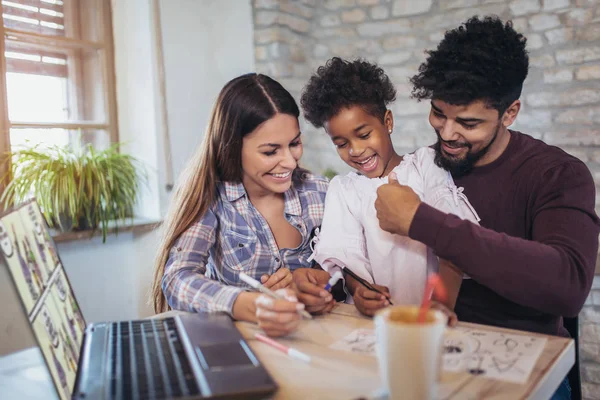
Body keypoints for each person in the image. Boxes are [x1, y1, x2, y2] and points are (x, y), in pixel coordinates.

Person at [374, 16, 600, 399]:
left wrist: (421, 220)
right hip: (432, 353)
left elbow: (569, 285)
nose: (447, 133)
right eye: (438, 113)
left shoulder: (557, 174)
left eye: (468, 123)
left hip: (526, 364)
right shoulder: (420, 169)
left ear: (509, 113)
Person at [150, 73, 332, 337]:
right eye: (271, 151)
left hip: (314, 344)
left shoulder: (319, 192)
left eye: (294, 144)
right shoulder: (212, 199)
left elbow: (345, 275)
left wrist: (316, 286)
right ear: (233, 147)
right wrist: (246, 304)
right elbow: (178, 278)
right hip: (237, 348)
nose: (291, 162)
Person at [299, 57, 479, 317]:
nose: (355, 150)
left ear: (388, 122)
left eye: (363, 135)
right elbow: (345, 257)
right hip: (372, 323)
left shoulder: (425, 166)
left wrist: (442, 305)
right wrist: (360, 291)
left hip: (431, 317)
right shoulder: (344, 190)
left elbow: (452, 239)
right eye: (341, 143)